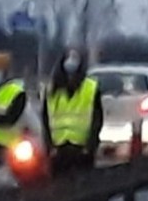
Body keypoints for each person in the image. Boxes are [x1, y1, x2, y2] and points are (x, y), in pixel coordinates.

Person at [41, 48, 103, 177]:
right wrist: (49, 147)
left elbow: (97, 120)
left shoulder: (90, 87)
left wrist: (90, 146)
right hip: (59, 150)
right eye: (69, 58)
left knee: (84, 190)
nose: (71, 63)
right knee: (60, 192)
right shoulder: (52, 89)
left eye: (75, 58)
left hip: (82, 150)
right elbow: (45, 119)